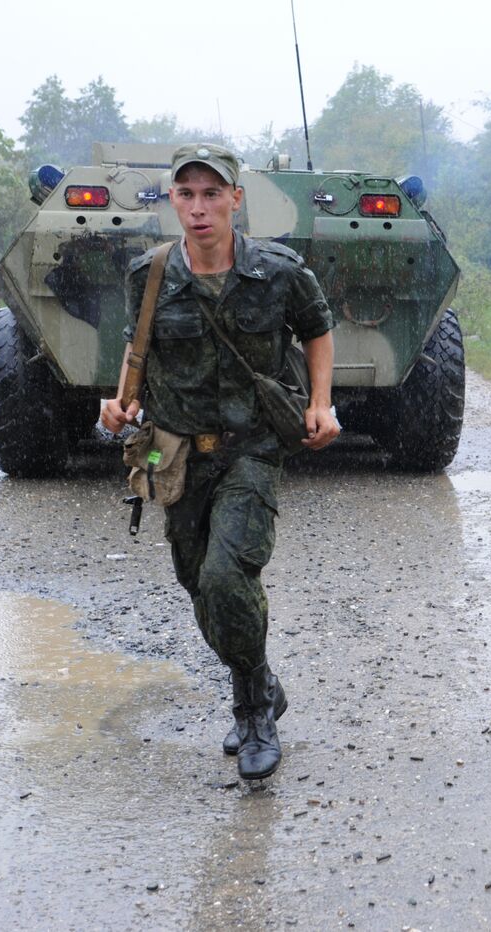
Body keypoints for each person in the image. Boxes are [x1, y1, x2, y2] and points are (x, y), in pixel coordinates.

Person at [99, 143, 339, 780]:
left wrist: (321, 403)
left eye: (212, 194)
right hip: (176, 450)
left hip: (252, 447)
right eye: (187, 194)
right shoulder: (149, 274)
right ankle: (259, 676)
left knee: (228, 578)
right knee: (197, 584)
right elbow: (137, 349)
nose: (199, 208)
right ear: (172, 200)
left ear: (236, 198)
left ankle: (253, 710)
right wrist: (118, 404)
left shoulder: (280, 271)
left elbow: (318, 329)